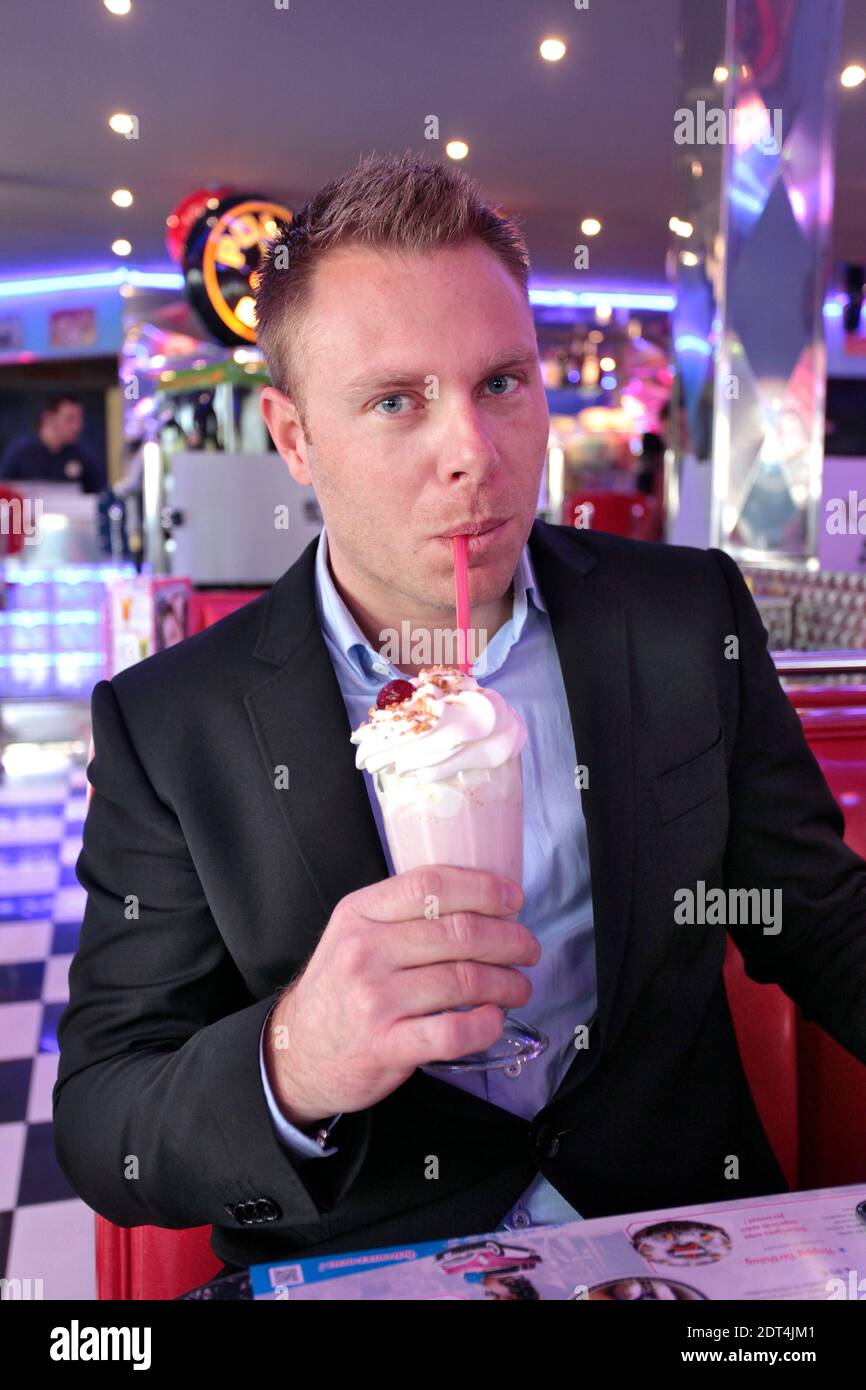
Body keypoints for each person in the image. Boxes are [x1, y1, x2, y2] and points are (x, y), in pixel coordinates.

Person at [53, 152, 866, 1282]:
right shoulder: (172, 725)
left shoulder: (683, 622)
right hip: (371, 1251)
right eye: (395, 401)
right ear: (292, 436)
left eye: (501, 384)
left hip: (680, 1235)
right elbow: (103, 1118)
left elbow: (818, 921)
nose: (472, 457)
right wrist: (295, 1056)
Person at [0, 394, 104, 493]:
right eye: (70, 419)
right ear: (48, 417)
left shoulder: (84, 457)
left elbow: (99, 496)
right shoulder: (19, 454)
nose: (77, 427)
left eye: (79, 420)